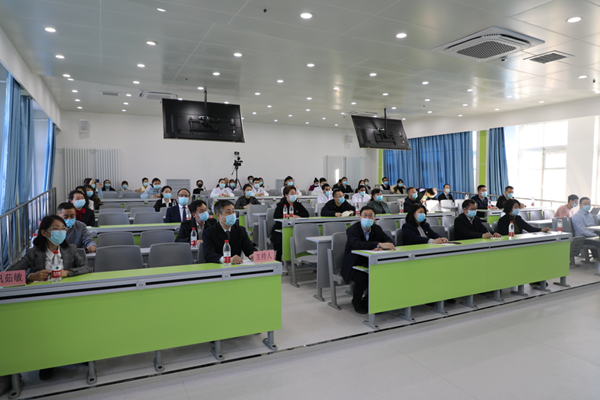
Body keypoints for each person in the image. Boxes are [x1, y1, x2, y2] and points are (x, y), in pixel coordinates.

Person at [7, 215, 92, 380]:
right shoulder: (33, 253)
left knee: (75, 326)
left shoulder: (70, 249)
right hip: (43, 300)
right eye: (56, 229)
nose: (61, 232)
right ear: (44, 232)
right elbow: (8, 275)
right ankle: (47, 362)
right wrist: (31, 277)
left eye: (63, 229)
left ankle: (80, 354)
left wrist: (67, 272)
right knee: (47, 331)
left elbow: (86, 268)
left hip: (68, 297)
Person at [341, 206, 396, 314]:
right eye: (365, 215)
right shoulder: (352, 230)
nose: (368, 218)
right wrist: (377, 244)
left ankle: (367, 302)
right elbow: (356, 244)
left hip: (371, 263)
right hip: (353, 264)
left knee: (382, 276)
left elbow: (389, 241)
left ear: (374, 219)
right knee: (363, 279)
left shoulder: (377, 229)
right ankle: (356, 302)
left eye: (371, 216)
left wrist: (382, 247)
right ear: (360, 217)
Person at [271, 187, 309, 261]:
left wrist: (296, 216)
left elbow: (306, 214)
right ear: (286, 195)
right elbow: (276, 216)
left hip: (295, 228)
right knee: (282, 239)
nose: (294, 195)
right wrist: (288, 215)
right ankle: (279, 258)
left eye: (295, 193)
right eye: (292, 193)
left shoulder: (298, 204)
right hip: (280, 229)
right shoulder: (281, 205)